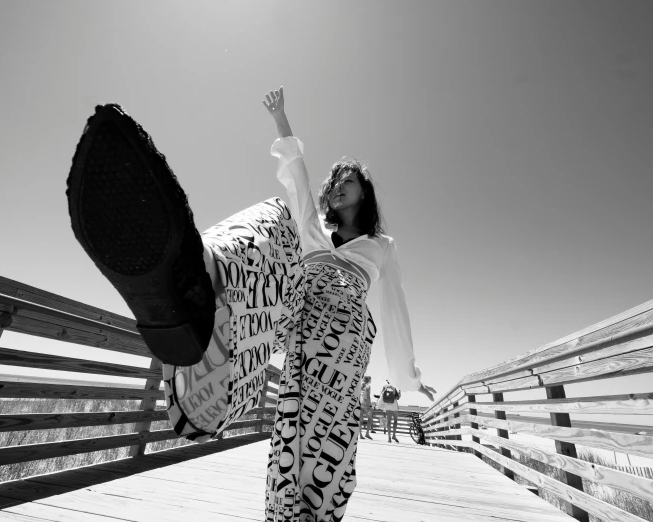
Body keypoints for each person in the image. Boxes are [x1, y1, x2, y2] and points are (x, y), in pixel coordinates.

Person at [65, 86, 436, 522]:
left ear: (364, 192)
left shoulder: (381, 245)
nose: (336, 188)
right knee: (278, 216)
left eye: (347, 182)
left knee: (324, 427)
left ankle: (310, 512)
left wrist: (409, 376)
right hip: (296, 308)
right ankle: (202, 274)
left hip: (344, 336)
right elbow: (297, 174)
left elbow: (395, 308)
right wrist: (282, 119)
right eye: (333, 183)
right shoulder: (313, 225)